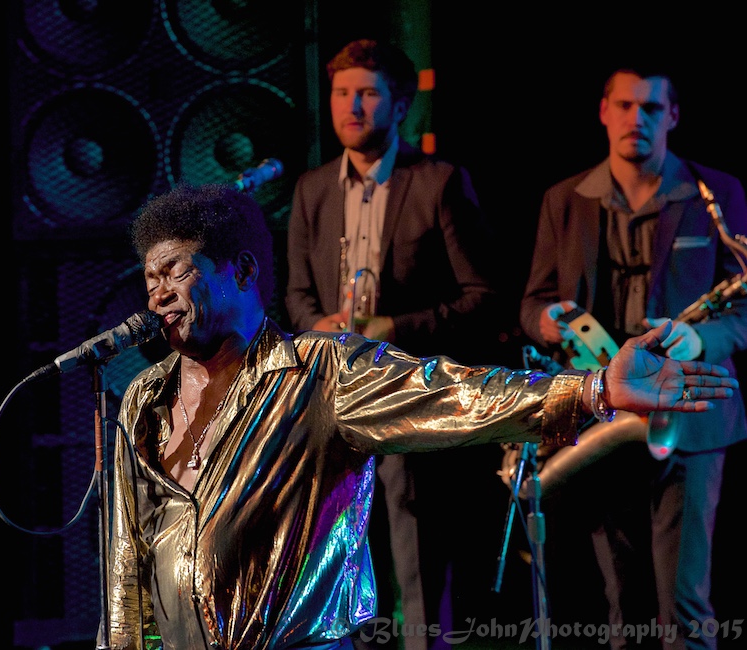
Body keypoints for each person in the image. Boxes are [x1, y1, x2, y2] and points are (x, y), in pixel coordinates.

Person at [102, 180, 737, 650]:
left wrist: (593, 388)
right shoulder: (145, 400)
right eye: (149, 277)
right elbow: (128, 562)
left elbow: (453, 393)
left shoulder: (317, 375)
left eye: (176, 272)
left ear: (239, 272)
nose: (157, 293)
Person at [518, 66, 747, 649]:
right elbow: (533, 304)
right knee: (619, 603)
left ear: (672, 115)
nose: (635, 119)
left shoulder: (716, 193)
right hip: (605, 413)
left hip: (691, 412)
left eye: (649, 108)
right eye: (624, 105)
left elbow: (743, 307)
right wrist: (548, 321)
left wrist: (703, 340)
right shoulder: (562, 198)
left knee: (686, 606)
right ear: (603, 111)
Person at [284, 38, 505, 644]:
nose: (351, 106)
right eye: (341, 93)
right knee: (335, 563)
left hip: (411, 398)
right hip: (335, 403)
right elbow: (297, 296)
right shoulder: (312, 189)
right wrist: (317, 325)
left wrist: (394, 329)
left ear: (400, 105)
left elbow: (482, 297)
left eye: (368, 93)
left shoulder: (438, 182)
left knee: (416, 562)